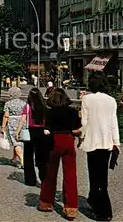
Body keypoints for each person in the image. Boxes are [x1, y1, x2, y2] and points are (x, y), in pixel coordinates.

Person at [78, 72, 120, 221]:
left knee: (94, 176)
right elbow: (114, 123)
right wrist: (116, 142)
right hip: (107, 142)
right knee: (102, 176)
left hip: (92, 141)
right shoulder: (111, 100)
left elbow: (84, 122)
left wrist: (81, 138)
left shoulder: (87, 99)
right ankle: (98, 203)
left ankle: (101, 210)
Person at [38, 88, 81, 220]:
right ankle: (71, 207)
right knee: (70, 173)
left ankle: (46, 201)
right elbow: (77, 129)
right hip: (68, 139)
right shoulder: (72, 112)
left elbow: (46, 129)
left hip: (54, 141)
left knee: (51, 173)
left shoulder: (49, 112)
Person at [16, 88, 51, 187]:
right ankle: (44, 179)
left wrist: (17, 131)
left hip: (29, 132)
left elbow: (23, 120)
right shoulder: (44, 107)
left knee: (28, 156)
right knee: (41, 158)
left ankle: (30, 180)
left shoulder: (27, 107)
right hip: (42, 132)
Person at [0, 87, 26, 168]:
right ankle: (14, 159)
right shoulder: (24, 103)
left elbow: (6, 116)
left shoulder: (8, 103)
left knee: (16, 143)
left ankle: (23, 161)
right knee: (18, 142)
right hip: (22, 122)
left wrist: (3, 127)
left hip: (12, 123)